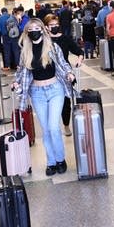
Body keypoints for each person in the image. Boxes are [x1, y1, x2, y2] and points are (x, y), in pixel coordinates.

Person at [12, 18, 75, 176]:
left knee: (53, 127)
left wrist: (69, 73)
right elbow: (20, 71)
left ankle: (61, 159)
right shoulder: (25, 51)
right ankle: (51, 162)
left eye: (37, 27)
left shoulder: (53, 47)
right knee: (46, 129)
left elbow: (63, 63)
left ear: (42, 29)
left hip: (55, 89)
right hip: (37, 92)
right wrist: (16, 82)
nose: (34, 31)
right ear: (27, 32)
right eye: (30, 28)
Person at [43, 14, 83, 136]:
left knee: (66, 102)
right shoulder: (44, 40)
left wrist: (79, 60)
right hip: (49, 75)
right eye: (51, 25)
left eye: (56, 25)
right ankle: (53, 127)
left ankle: (66, 125)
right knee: (50, 102)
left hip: (65, 74)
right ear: (46, 27)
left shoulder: (65, 39)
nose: (54, 27)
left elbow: (78, 51)